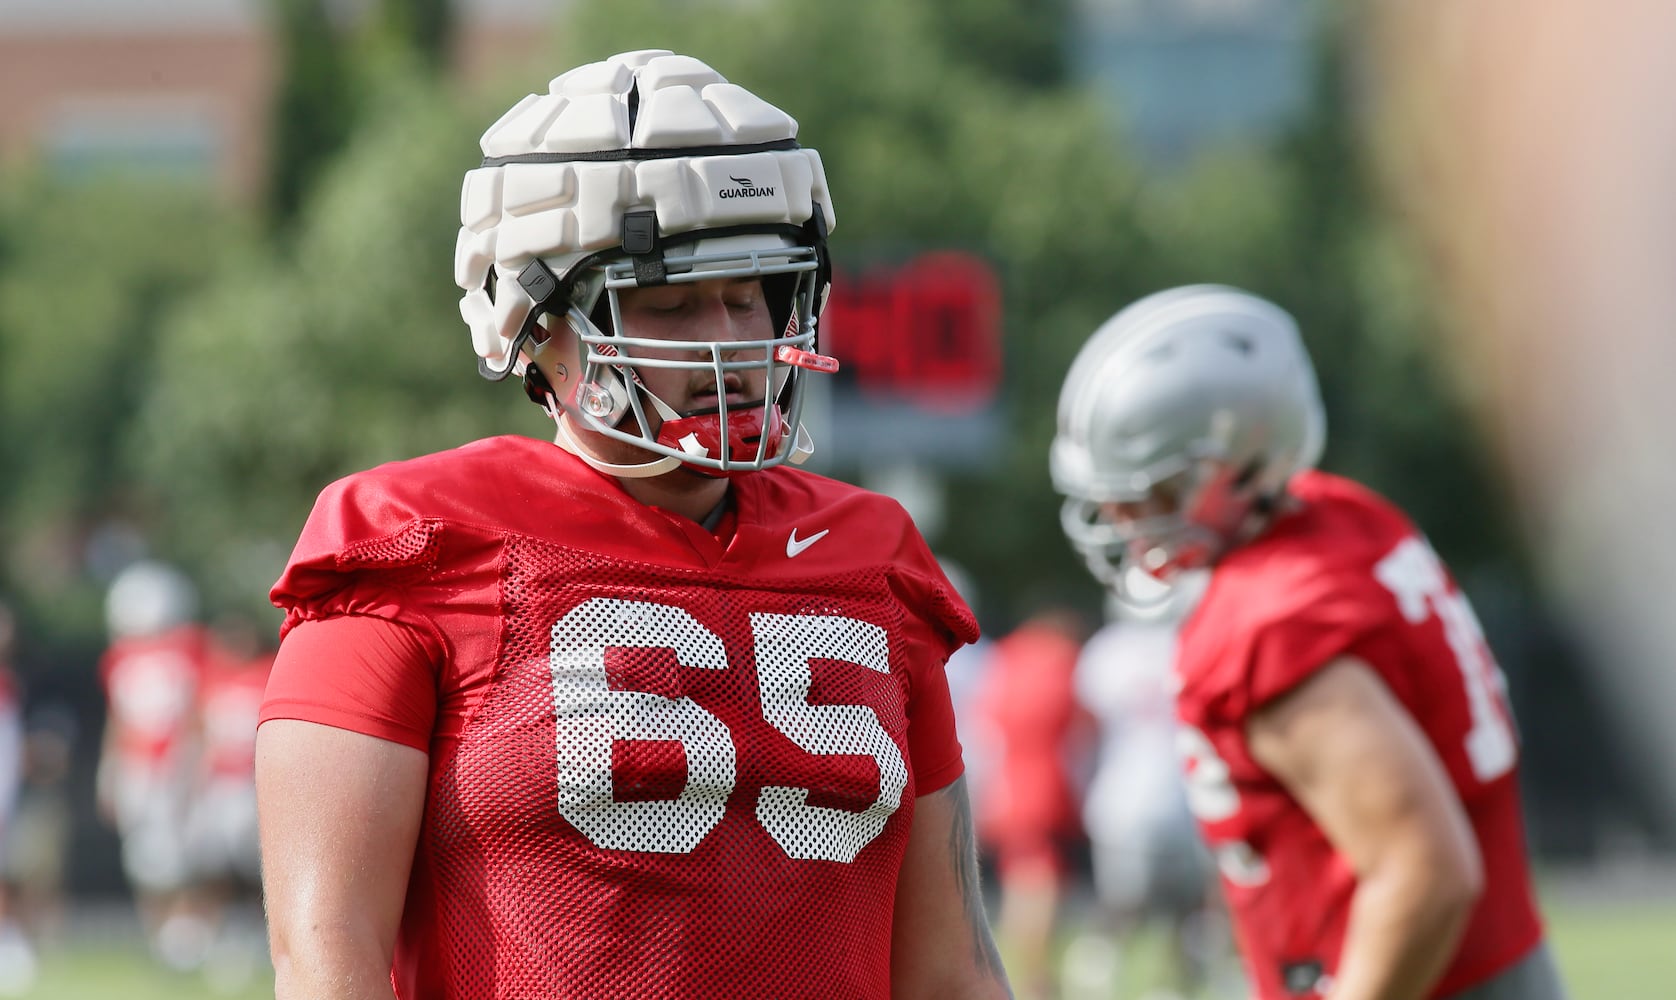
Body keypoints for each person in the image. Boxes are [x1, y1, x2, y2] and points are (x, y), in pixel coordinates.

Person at [255, 49, 1013, 1000]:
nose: (728, 340)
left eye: (749, 297)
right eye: (670, 304)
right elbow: (330, 955)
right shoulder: (412, 540)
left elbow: (952, 970)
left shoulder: (875, 557)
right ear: (538, 325)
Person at [1048, 285, 1569, 1000]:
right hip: (1504, 962)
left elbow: (1424, 872)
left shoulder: (1267, 623)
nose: (1120, 515)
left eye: (1156, 491)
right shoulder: (1344, 514)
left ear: (1239, 463)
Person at [1062, 584, 1228, 1000]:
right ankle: (1173, 983)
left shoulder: (1107, 651)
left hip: (1121, 797)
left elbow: (1085, 730)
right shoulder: (1193, 640)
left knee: (1119, 905)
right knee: (1189, 909)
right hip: (1187, 796)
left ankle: (1096, 973)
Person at [96, 559, 217, 972]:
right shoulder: (119, 658)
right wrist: (108, 773)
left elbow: (198, 714)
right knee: (143, 856)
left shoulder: (190, 650)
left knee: (186, 851)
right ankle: (160, 934)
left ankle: (190, 930)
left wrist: (196, 767)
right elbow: (118, 720)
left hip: (176, 764)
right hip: (138, 767)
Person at [971, 609, 1093, 1000]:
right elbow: (1083, 726)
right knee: (1038, 883)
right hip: (1046, 785)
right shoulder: (1061, 662)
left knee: (1021, 880)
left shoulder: (1006, 659)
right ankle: (1034, 980)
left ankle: (1029, 974)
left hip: (1008, 785)